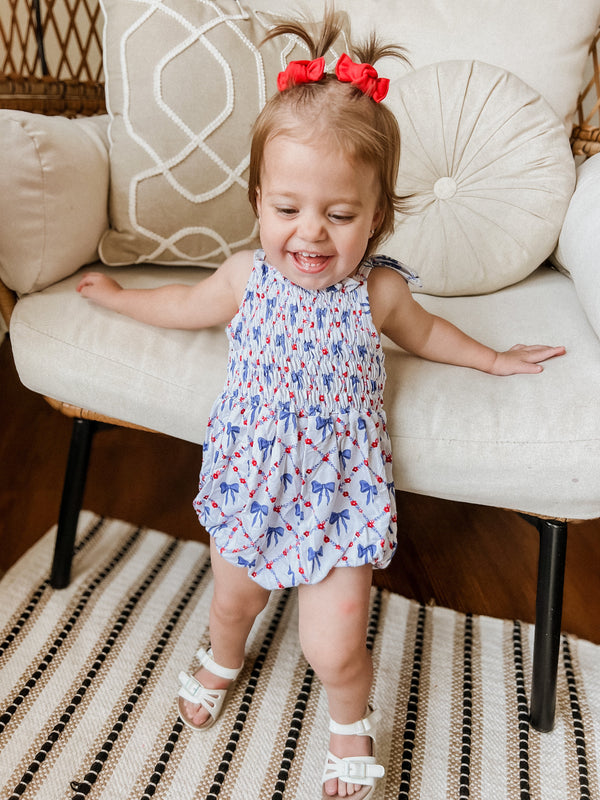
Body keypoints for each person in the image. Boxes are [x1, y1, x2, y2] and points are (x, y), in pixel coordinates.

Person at [76, 10, 565, 799]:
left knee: (333, 645)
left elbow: (427, 333)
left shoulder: (377, 291)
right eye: (287, 209)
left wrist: (493, 358)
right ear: (257, 201)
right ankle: (224, 656)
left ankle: (348, 722)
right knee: (231, 602)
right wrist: (117, 299)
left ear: (377, 218)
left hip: (339, 496)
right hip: (250, 482)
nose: (310, 234)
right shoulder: (246, 278)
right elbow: (183, 307)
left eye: (339, 215)